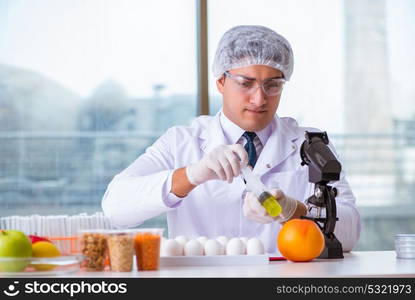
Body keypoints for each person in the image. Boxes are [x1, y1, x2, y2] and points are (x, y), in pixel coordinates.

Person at [102, 25, 361, 253]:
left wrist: (295, 211)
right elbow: (116, 208)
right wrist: (193, 174)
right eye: (245, 83)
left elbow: (350, 235)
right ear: (221, 82)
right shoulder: (181, 142)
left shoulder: (309, 143)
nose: (259, 99)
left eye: (272, 85)